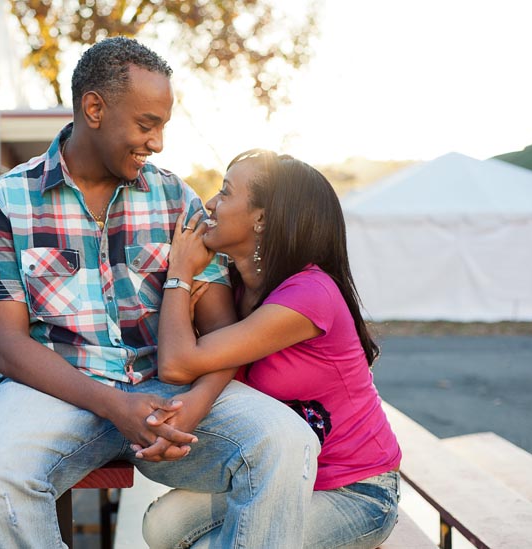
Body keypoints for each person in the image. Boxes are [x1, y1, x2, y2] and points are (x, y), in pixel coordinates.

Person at [0, 38, 319, 548]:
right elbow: (8, 346)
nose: (159, 142)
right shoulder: (5, 202)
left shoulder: (175, 198)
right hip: (56, 392)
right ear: (94, 108)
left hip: (167, 394)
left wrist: (195, 402)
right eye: (147, 124)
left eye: (164, 125)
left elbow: (219, 330)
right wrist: (113, 405)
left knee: (287, 441)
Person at [142, 149, 403, 549]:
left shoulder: (309, 295)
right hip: (282, 475)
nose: (210, 204)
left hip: (357, 490)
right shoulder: (238, 287)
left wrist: (180, 269)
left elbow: (178, 363)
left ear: (261, 219)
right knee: (162, 525)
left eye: (226, 193)